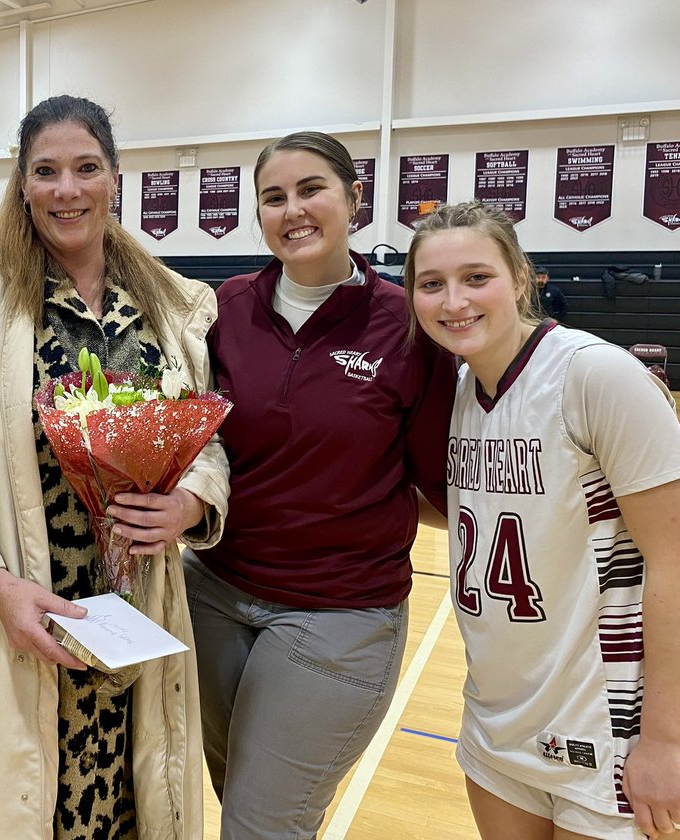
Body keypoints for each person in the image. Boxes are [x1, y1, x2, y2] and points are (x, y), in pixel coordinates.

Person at [0, 95, 230, 840]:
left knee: (128, 808)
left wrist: (192, 503)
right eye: (46, 172)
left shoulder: (171, 303)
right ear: (22, 183)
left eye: (85, 169)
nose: (66, 190)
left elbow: (205, 434)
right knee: (15, 806)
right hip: (11, 615)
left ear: (115, 176)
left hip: (134, 615)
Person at [186, 131, 457, 839]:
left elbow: (440, 486)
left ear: (353, 200)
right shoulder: (228, 307)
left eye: (311, 190)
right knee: (235, 795)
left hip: (338, 613)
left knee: (261, 825)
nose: (293, 210)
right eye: (274, 197)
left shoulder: (406, 323)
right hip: (212, 593)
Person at [406, 200, 680, 840]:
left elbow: (678, 562)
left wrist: (669, 742)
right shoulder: (454, 391)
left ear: (523, 277)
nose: (454, 301)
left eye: (477, 277)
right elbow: (476, 510)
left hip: (606, 726)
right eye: (432, 284)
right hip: (497, 719)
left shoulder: (595, 375)